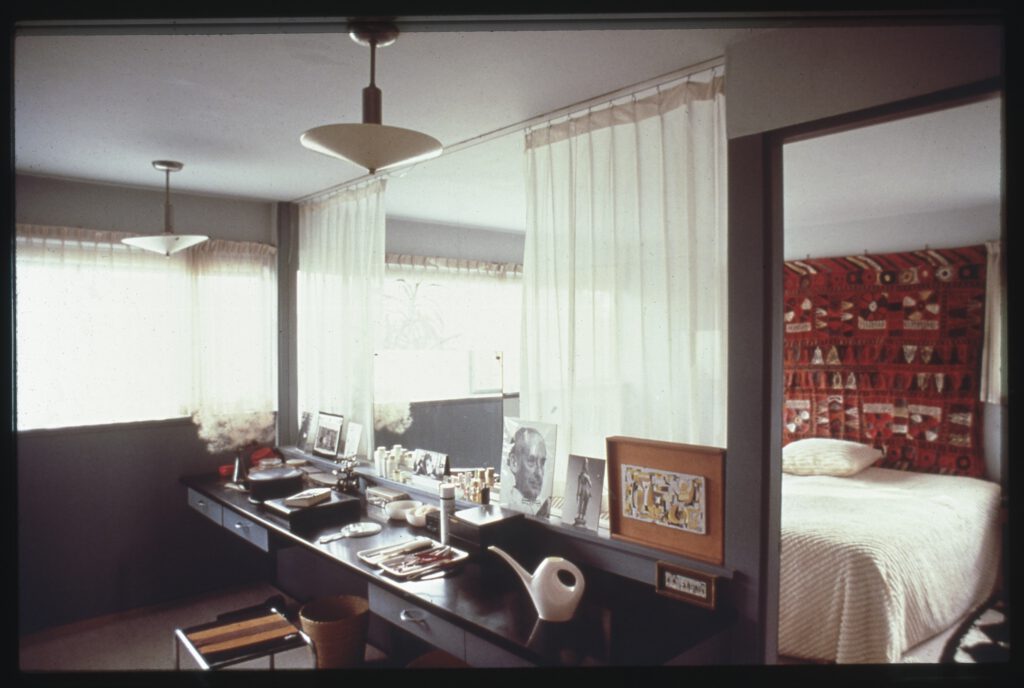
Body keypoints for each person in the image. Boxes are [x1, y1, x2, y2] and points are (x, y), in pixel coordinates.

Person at [508, 426, 547, 503]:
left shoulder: (540, 506)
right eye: (531, 461)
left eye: (542, 463)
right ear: (514, 463)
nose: (539, 473)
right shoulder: (509, 504)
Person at [574, 458, 593, 527]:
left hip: (585, 490)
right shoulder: (581, 475)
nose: (585, 465)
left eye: (586, 464)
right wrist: (577, 494)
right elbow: (579, 485)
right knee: (581, 504)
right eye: (585, 463)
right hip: (583, 490)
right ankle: (580, 516)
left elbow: (590, 485)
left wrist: (588, 479)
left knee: (584, 504)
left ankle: (582, 516)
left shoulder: (585, 475)